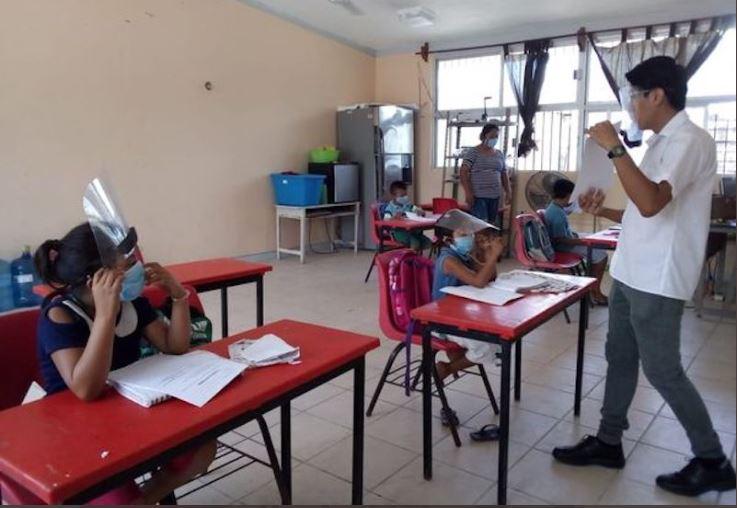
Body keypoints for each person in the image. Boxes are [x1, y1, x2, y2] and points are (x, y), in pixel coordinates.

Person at [552, 56, 736, 497]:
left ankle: (712, 459)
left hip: (659, 275)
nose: (632, 105)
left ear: (657, 95)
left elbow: (653, 202)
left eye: (635, 96)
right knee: (619, 355)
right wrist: (605, 210)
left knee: (663, 369)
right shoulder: (658, 145)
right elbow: (643, 208)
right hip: (631, 270)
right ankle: (608, 441)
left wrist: (616, 148)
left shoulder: (689, 141)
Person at [28, 221, 216, 505]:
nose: (137, 267)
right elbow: (86, 390)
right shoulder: (60, 316)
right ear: (96, 280)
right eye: (127, 264)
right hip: (78, 432)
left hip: (126, 415)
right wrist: (105, 315)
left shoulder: (132, 304)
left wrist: (177, 294)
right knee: (117, 498)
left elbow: (175, 347)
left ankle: (145, 499)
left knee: (203, 449)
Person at [431, 210, 504, 435]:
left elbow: (490, 277)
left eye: (469, 233)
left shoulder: (464, 255)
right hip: (443, 321)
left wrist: (485, 253)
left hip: (464, 316)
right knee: (486, 348)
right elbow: (478, 282)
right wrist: (493, 256)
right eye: (463, 234)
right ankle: (447, 368)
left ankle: (452, 364)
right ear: (448, 239)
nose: (470, 237)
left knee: (498, 343)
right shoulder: (448, 259)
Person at [545, 178, 609, 305]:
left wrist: (581, 239)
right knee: (602, 256)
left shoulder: (555, 208)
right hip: (563, 247)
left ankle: (590, 287)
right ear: (568, 195)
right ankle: (595, 291)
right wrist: (582, 241)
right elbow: (560, 239)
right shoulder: (557, 213)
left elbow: (564, 233)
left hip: (567, 241)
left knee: (594, 242)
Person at [460, 123, 512, 225]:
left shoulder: (499, 154)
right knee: (480, 226)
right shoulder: (473, 152)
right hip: (478, 197)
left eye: (496, 136)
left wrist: (508, 191)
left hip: (495, 196)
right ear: (484, 136)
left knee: (491, 226)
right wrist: (468, 193)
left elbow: (504, 174)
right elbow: (463, 172)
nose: (494, 139)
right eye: (491, 136)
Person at [382, 180, 431, 252]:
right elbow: (385, 220)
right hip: (398, 232)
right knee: (415, 243)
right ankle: (410, 257)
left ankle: (413, 254)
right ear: (393, 196)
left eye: (405, 195)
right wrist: (394, 217)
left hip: (412, 231)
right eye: (402, 196)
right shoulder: (390, 208)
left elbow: (417, 210)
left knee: (427, 242)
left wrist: (420, 212)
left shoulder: (408, 205)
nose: (404, 197)